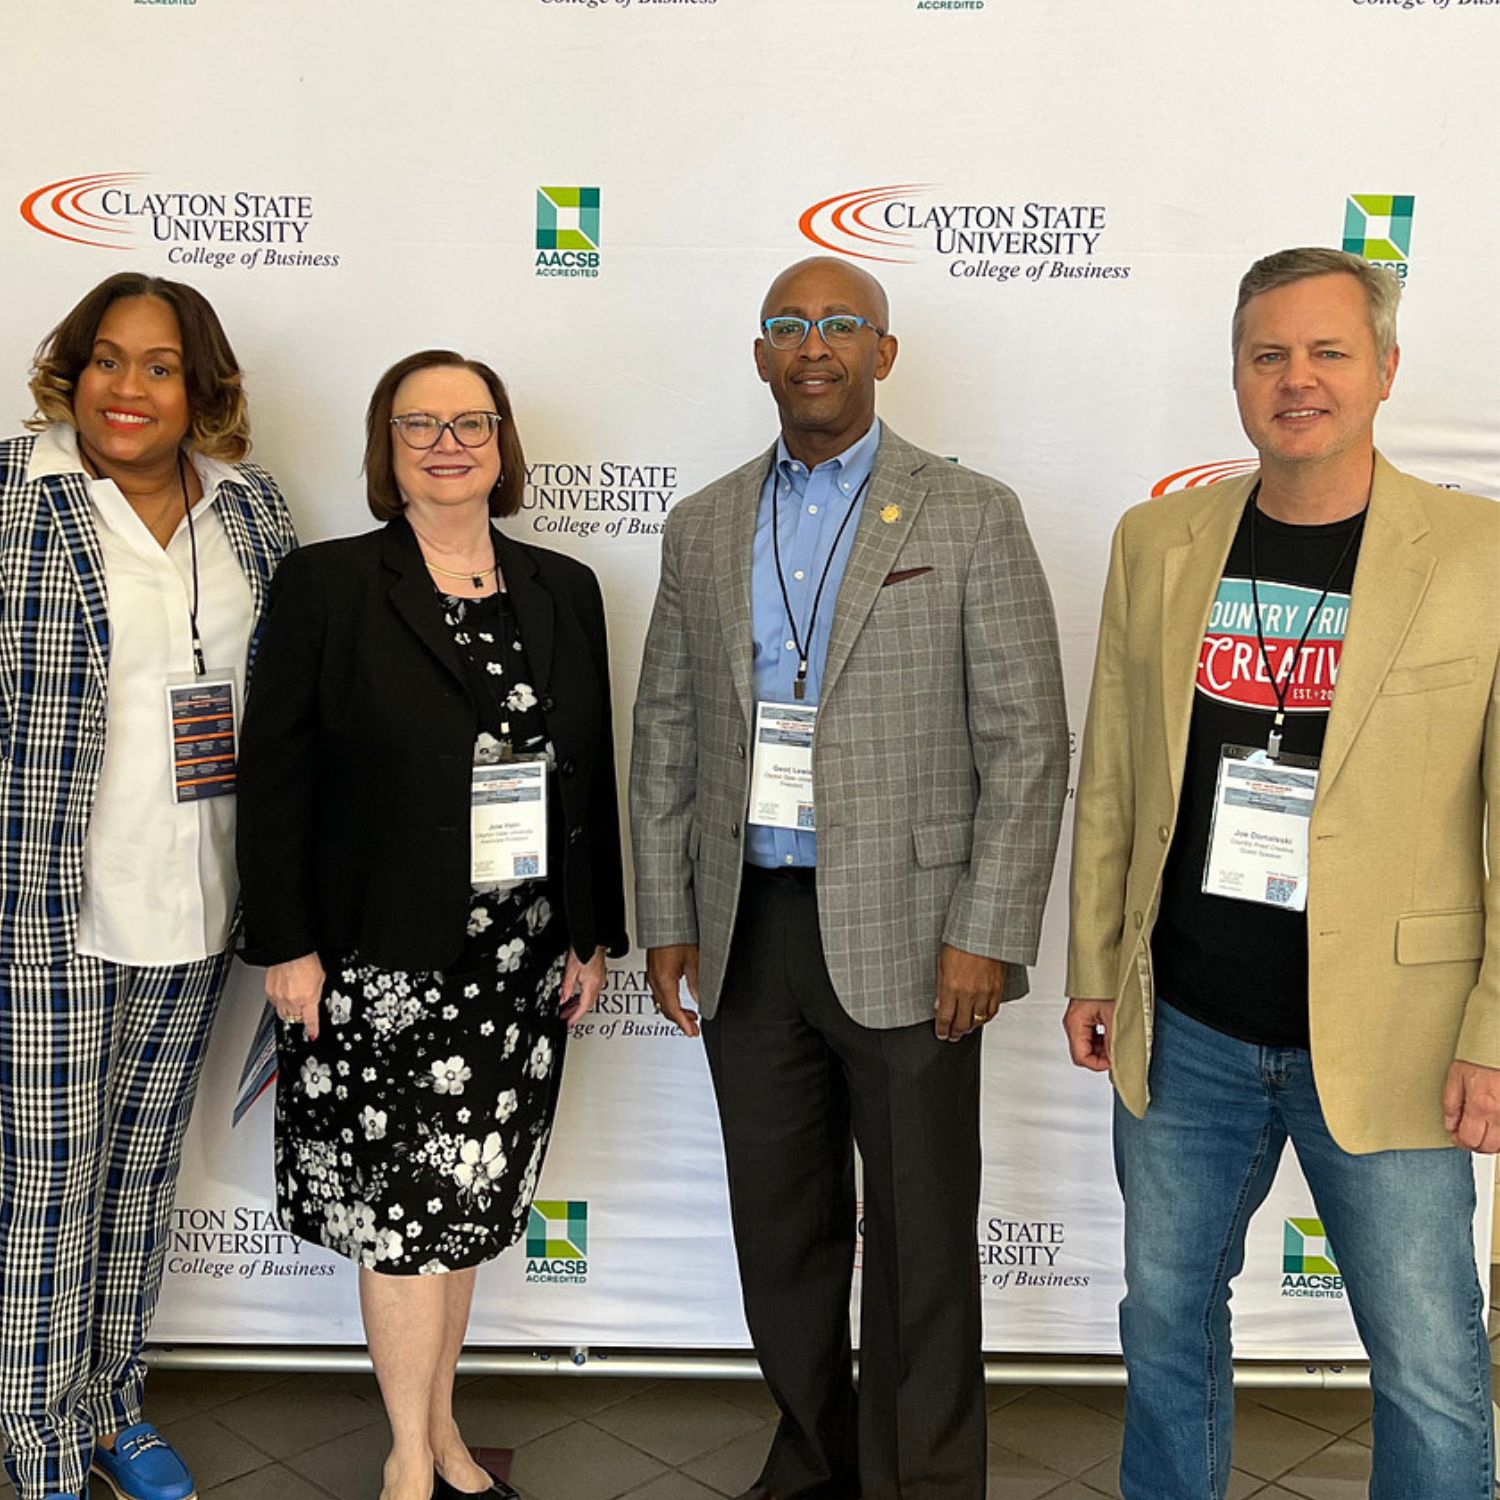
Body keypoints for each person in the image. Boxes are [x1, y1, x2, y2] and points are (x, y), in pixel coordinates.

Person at [630, 256, 1069, 1500]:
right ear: (759, 354)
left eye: (839, 324)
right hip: (748, 928)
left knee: (922, 1236)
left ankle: (920, 1482)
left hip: (918, 935)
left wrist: (988, 929)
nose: (812, 345)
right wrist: (666, 915)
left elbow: (1028, 739)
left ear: (884, 350)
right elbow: (666, 728)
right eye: (787, 325)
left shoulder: (968, 511)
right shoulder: (704, 522)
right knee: (782, 1228)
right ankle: (812, 1465)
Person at [1065, 246, 1499, 1500]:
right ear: (1238, 375)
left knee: (1427, 1363)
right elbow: (1116, 772)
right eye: (1268, 355)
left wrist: (1491, 1030)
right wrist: (1096, 964)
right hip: (1188, 1023)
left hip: (1397, 1033)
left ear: (1386, 370)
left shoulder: (1476, 552)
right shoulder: (1159, 540)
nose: (1295, 378)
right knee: (1165, 1329)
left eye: (1327, 352)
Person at [236, 349, 627, 1500]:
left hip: (520, 963)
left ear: (502, 444)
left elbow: (588, 770)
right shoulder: (329, 585)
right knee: (404, 1218)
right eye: (420, 424)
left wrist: (591, 931)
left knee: (466, 1207)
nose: (448, 444)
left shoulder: (564, 588)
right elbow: (276, 778)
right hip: (380, 960)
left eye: (471, 422)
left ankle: (445, 1431)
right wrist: (287, 943)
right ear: (386, 446)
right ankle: (409, 1459)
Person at [0, 272, 297, 1500]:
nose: (129, 389)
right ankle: (37, 1445)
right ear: (72, 373)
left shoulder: (250, 507)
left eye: (161, 366)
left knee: (137, 1177)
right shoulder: (14, 496)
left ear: (201, 387)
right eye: (108, 361)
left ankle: (111, 1405)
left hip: (199, 895)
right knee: (45, 1190)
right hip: (47, 909)